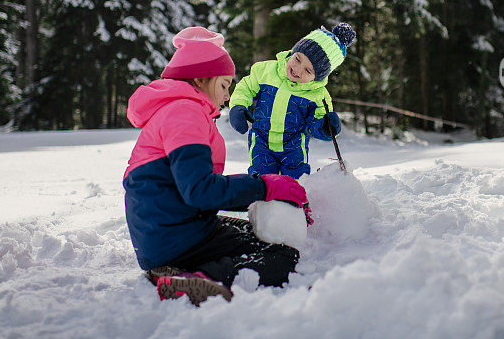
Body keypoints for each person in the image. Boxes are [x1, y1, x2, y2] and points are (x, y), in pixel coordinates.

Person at [123, 26, 309, 306]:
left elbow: (193, 191)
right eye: (224, 85)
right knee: (281, 255)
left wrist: (261, 191)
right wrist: (265, 186)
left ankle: (173, 269)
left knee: (251, 231)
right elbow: (200, 190)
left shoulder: (178, 109)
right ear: (199, 78)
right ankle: (199, 279)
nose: (226, 97)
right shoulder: (184, 112)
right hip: (174, 237)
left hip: (166, 232)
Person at [228, 23, 356, 178]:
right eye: (297, 59)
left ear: (318, 77)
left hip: (294, 147)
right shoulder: (266, 71)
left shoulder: (318, 95)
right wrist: (238, 106)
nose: (298, 69)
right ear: (293, 51)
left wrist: (326, 127)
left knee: (295, 182)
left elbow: (317, 122)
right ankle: (262, 200)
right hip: (261, 141)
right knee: (263, 181)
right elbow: (246, 87)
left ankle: (294, 202)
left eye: (308, 70)